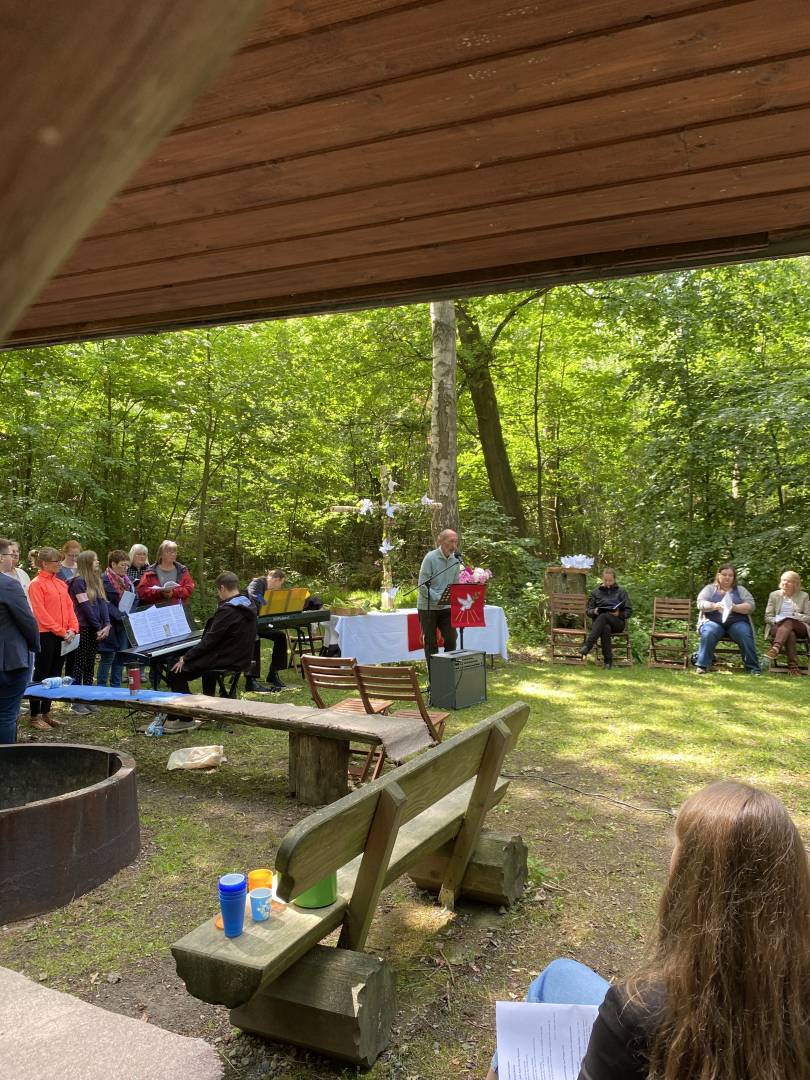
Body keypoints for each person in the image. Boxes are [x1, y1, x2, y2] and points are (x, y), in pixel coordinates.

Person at [485, 780, 810, 1080]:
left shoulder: (638, 1009)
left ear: (693, 883)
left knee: (549, 990)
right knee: (558, 976)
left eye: (678, 847)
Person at [168, 572, 257, 697]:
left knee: (175, 669)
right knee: (203, 660)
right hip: (242, 656)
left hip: (227, 658)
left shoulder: (228, 610)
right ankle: (208, 699)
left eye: (218, 590)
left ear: (222, 588)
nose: (218, 594)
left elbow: (210, 641)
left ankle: (186, 713)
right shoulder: (248, 603)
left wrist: (186, 657)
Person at [28, 547, 78, 730]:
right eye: (56, 561)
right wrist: (61, 631)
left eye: (59, 561)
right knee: (41, 674)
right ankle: (34, 715)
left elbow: (70, 608)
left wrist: (73, 628)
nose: (59, 564)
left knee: (56, 674)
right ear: (44, 564)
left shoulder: (61, 583)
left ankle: (46, 712)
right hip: (46, 635)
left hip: (64, 635)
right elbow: (41, 614)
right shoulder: (36, 584)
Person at [0, 539, 40, 743]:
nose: (12, 558)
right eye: (9, 555)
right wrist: (34, 647)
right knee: (6, 715)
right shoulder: (8, 585)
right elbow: (27, 621)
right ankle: (6, 766)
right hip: (9, 661)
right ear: (0, 557)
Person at [694, 564, 761, 675]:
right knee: (709, 631)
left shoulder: (740, 590)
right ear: (718, 575)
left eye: (730, 575)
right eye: (724, 575)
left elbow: (751, 606)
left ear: (734, 577)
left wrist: (734, 607)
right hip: (713, 622)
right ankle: (702, 665)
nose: (727, 577)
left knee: (744, 633)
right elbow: (700, 603)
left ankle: (753, 668)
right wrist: (714, 605)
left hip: (737, 622)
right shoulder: (710, 589)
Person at [68, 550, 111, 714]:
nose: (98, 562)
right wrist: (98, 626)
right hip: (84, 627)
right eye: (95, 560)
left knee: (90, 663)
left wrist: (107, 624)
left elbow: (103, 603)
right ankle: (76, 700)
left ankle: (87, 697)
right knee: (79, 663)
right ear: (87, 563)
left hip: (96, 628)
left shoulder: (96, 580)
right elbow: (85, 607)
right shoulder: (77, 582)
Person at [417, 529, 461, 668]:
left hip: (446, 607)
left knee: (451, 638)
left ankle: (447, 670)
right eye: (450, 541)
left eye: (455, 541)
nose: (453, 545)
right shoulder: (430, 558)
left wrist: (455, 597)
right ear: (441, 541)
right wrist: (438, 598)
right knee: (431, 642)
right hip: (428, 606)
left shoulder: (455, 560)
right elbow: (422, 585)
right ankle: (434, 675)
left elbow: (455, 584)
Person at [97, 550, 136, 688]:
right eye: (122, 565)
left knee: (121, 656)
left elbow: (133, 599)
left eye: (127, 566)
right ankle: (101, 687)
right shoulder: (103, 579)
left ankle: (116, 686)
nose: (125, 568)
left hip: (124, 623)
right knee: (108, 656)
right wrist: (119, 615)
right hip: (110, 623)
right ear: (113, 564)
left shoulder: (128, 581)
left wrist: (129, 615)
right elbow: (105, 602)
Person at [246, 568, 289, 692]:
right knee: (255, 638)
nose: (280, 587)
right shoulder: (257, 583)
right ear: (276, 580)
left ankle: (273, 673)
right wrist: (268, 604)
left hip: (260, 624)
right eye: (281, 583)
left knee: (280, 637)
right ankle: (251, 680)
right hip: (248, 624)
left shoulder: (271, 590)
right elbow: (256, 597)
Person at [579, 568, 632, 669]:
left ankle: (588, 645)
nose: (607, 582)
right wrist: (594, 611)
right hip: (600, 625)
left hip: (617, 623)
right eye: (605, 580)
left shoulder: (621, 592)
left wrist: (619, 614)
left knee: (603, 616)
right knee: (605, 628)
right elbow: (588, 611)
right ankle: (608, 662)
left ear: (614, 579)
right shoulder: (595, 592)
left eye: (610, 580)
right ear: (602, 579)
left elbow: (629, 611)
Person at [763, 570, 810, 675]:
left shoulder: (803, 596)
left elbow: (808, 617)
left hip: (799, 626)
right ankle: (793, 667)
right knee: (790, 633)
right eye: (783, 580)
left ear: (796, 584)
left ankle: (775, 648)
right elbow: (767, 617)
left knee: (789, 621)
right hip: (778, 627)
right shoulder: (774, 595)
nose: (785, 583)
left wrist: (795, 616)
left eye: (789, 581)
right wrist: (777, 619)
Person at [136, 540, 195, 610]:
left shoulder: (182, 570)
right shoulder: (150, 572)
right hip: (157, 613)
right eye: (168, 552)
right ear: (160, 555)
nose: (172, 554)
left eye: (174, 552)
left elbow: (189, 589)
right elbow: (142, 592)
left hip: (178, 612)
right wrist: (160, 593)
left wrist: (173, 592)